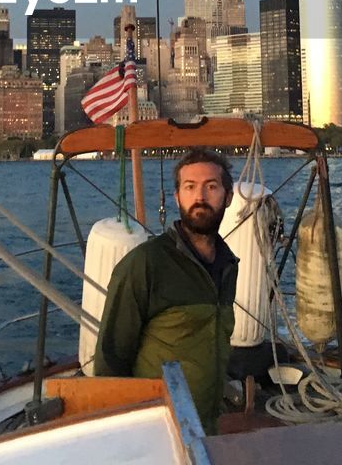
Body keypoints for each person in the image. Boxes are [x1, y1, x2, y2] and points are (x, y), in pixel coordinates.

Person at [93, 148, 239, 434]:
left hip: (207, 426)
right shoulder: (145, 263)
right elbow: (111, 359)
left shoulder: (228, 264)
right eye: (190, 187)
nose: (200, 197)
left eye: (211, 186)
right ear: (177, 198)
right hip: (158, 426)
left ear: (228, 197)